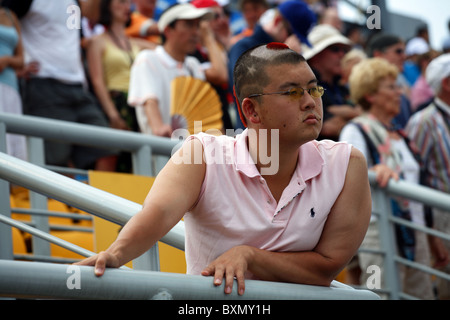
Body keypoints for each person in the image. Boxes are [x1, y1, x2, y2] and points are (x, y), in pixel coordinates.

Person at [76, 42, 372, 296]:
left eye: (313, 89)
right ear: (251, 111)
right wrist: (115, 255)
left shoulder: (348, 164)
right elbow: (157, 214)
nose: (310, 102)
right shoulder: (203, 153)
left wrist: (250, 256)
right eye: (293, 92)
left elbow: (327, 267)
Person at [340, 57, 439, 299]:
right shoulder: (356, 129)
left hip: (413, 232)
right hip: (380, 231)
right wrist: (373, 172)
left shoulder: (400, 134)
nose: (400, 93)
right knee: (381, 294)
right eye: (391, 87)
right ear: (371, 94)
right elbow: (346, 174)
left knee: (421, 295)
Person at [4, 0, 116, 171]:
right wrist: (18, 64)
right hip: (43, 83)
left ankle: (93, 198)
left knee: (107, 150)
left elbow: (78, 32)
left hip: (78, 86)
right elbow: (5, 21)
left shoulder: (74, 2)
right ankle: (63, 199)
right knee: (56, 162)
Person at [87, 0, 156, 172]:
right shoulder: (97, 42)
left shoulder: (134, 43)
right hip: (115, 103)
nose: (127, 8)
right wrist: (112, 114)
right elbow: (98, 81)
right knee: (115, 158)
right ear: (107, 7)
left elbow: (163, 49)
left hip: (136, 105)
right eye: (121, 2)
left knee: (138, 160)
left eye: (128, 3)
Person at [127, 3, 212, 138]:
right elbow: (150, 101)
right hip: (160, 154)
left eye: (197, 26)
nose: (196, 32)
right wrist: (159, 128)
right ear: (168, 30)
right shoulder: (148, 59)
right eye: (189, 25)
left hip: (191, 154)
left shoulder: (193, 65)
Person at [228, 0, 317, 129]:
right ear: (277, 21)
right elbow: (246, 90)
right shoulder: (244, 46)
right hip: (254, 137)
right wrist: (284, 56)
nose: (295, 41)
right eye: (292, 34)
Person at [405, 53, 450, 299]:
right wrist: (433, 234)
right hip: (442, 217)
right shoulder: (423, 121)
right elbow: (416, 175)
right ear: (447, 83)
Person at [302, 24, 359, 141]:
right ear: (316, 55)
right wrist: (352, 113)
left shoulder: (342, 87)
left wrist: (344, 113)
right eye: (335, 49)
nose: (342, 54)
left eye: (344, 50)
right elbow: (328, 127)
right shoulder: (303, 87)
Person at [190, 0, 232, 131]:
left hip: (226, 119)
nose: (222, 21)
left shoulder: (220, 47)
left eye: (223, 15)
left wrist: (227, 44)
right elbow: (221, 76)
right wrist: (208, 37)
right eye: (215, 17)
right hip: (207, 128)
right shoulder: (190, 53)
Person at [366, 33, 412, 129]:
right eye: (398, 51)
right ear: (378, 55)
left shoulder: (402, 84)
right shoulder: (364, 88)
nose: (404, 56)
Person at [0, 4, 26, 161]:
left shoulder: (11, 15)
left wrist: (7, 60)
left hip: (11, 88)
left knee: (12, 151)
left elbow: (21, 60)